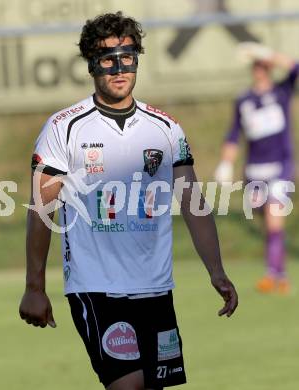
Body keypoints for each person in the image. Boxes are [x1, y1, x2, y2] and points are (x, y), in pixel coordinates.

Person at [19, 11, 238, 390]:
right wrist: (35, 287)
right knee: (129, 386)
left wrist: (216, 270)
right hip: (97, 287)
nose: (119, 68)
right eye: (108, 59)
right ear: (91, 64)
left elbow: (193, 204)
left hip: (155, 287)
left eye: (128, 57)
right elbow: (42, 210)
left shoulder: (167, 129)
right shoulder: (63, 128)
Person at [214, 42, 299, 295]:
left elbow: (296, 68)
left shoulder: (282, 92)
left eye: (264, 65)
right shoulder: (244, 100)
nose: (260, 69)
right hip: (254, 171)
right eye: (257, 65)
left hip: (280, 167)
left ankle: (274, 275)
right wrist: (226, 163)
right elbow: (233, 134)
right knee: (266, 221)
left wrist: (267, 53)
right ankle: (278, 271)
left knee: (275, 219)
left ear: (269, 67)